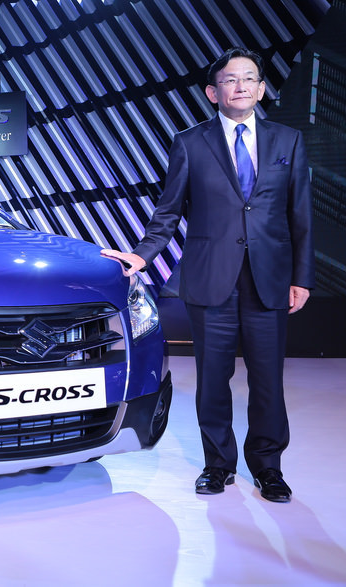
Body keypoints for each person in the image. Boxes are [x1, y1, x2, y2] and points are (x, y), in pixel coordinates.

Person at [101, 47, 313, 503]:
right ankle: (218, 465)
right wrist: (142, 256)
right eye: (230, 80)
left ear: (260, 89)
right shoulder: (190, 142)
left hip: (269, 279)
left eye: (249, 78)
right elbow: (168, 211)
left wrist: (303, 276)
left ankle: (269, 468)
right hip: (210, 279)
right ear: (212, 92)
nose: (241, 86)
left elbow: (301, 216)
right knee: (213, 379)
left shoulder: (288, 141)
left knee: (268, 381)